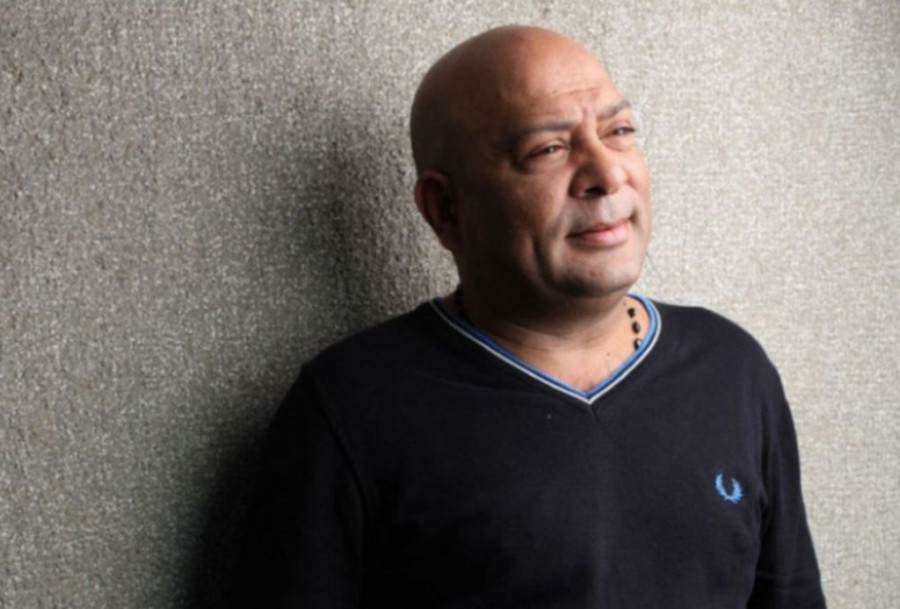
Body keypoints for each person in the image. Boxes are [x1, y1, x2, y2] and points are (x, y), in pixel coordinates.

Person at [233, 25, 826, 608]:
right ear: (446, 209)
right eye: (548, 150)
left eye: (618, 131)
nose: (607, 175)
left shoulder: (731, 369)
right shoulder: (351, 407)